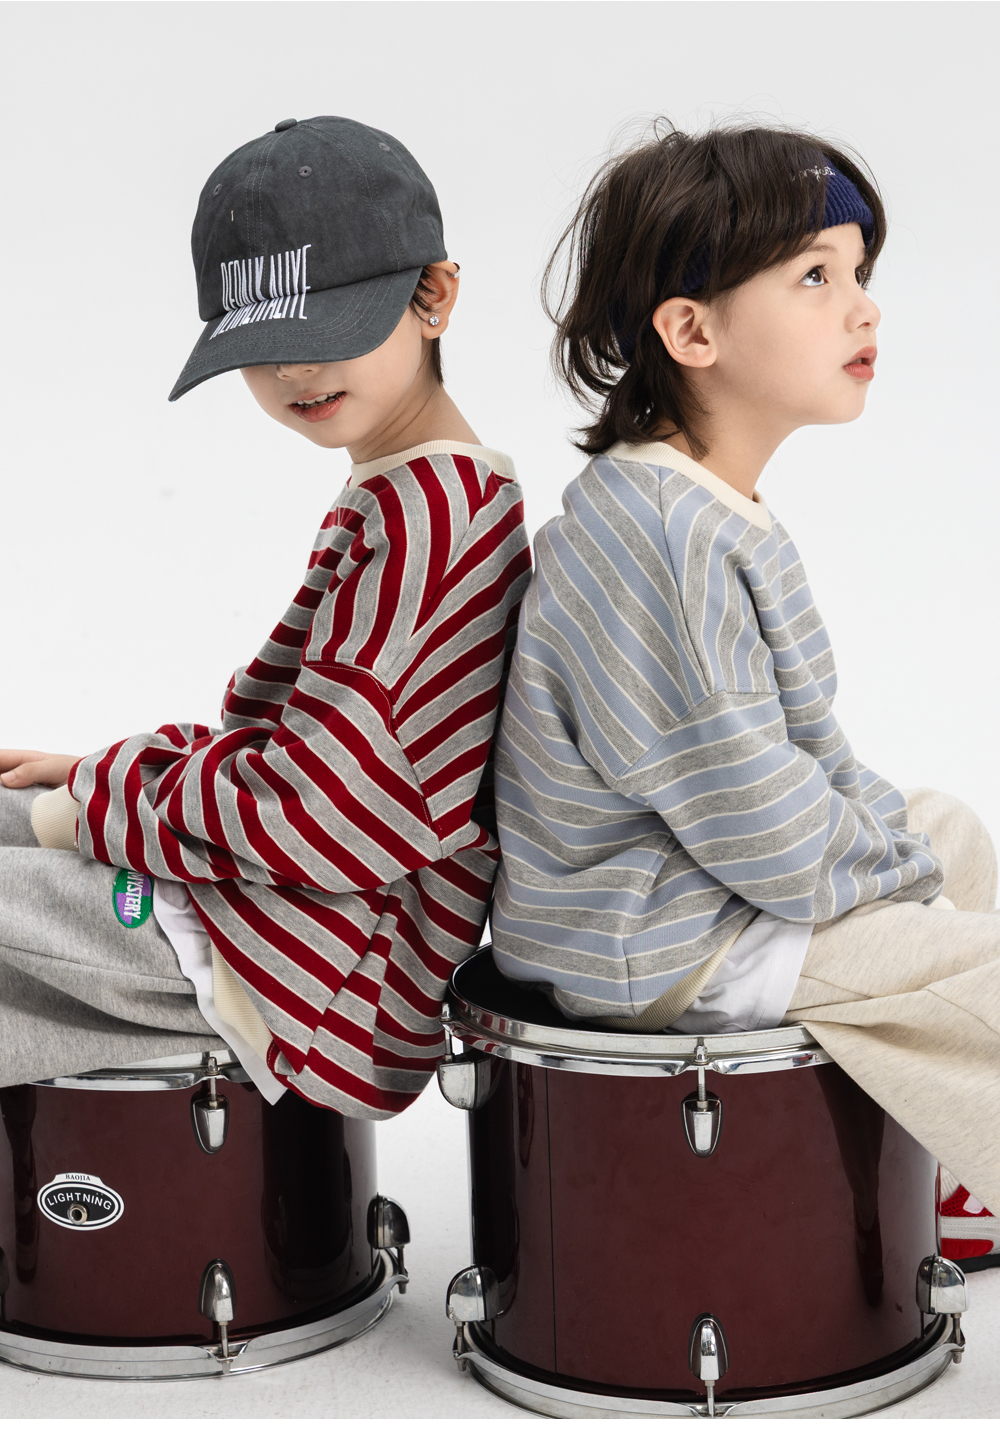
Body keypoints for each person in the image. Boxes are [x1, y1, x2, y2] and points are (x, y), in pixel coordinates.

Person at [491, 121, 1000, 1250]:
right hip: (658, 934)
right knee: (975, 961)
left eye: (859, 273)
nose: (864, 309)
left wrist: (903, 861)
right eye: (815, 277)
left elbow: (798, 751)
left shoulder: (700, 503)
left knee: (948, 831)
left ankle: (951, 1174)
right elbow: (764, 826)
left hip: (707, 882)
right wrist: (900, 889)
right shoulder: (663, 541)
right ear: (692, 330)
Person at [0, 115, 531, 1119]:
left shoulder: (429, 519)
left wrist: (104, 796)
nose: (294, 372)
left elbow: (314, 813)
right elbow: (315, 761)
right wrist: (102, 773)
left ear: (434, 296)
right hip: (281, 921)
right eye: (263, 346)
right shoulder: (413, 493)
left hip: (315, 972)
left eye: (324, 331)